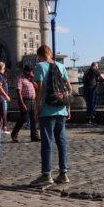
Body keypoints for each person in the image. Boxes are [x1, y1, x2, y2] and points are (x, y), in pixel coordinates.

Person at [32, 44, 71, 186]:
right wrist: (68, 107)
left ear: (40, 55)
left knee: (47, 142)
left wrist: (37, 109)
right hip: (61, 109)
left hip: (47, 110)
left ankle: (46, 174)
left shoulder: (40, 66)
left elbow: (40, 90)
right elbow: (68, 88)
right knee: (61, 141)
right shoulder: (60, 66)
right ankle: (63, 173)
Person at [11, 64, 39, 142]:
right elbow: (18, 92)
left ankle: (34, 136)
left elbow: (37, 87)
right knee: (24, 118)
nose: (32, 73)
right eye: (30, 71)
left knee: (34, 119)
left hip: (32, 100)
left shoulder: (30, 79)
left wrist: (33, 79)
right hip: (25, 100)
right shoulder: (20, 79)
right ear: (26, 72)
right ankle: (14, 134)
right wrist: (22, 103)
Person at [0, 61, 11, 133]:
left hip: (2, 97)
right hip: (1, 97)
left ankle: (3, 126)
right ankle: (2, 127)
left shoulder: (0, 75)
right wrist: (6, 95)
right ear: (3, 67)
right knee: (3, 111)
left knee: (4, 111)